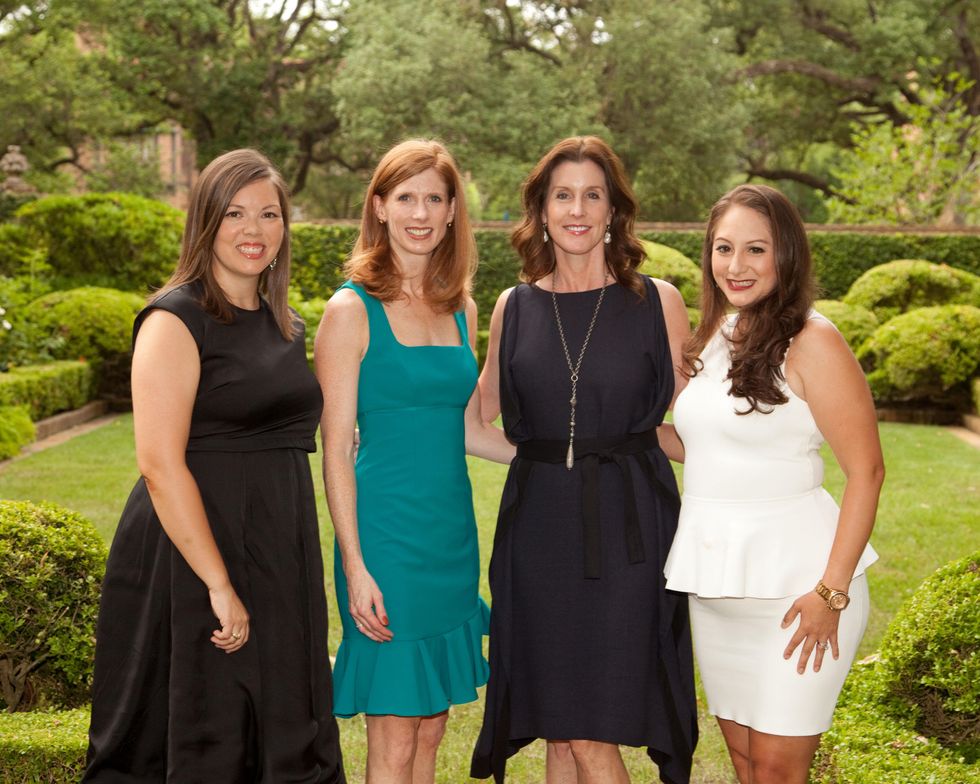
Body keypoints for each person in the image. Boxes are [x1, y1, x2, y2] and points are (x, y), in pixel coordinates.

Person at [83, 149, 346, 783]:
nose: (254, 230)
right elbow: (159, 464)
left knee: (281, 725)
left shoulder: (287, 325)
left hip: (277, 549)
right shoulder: (175, 319)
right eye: (234, 213)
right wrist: (219, 585)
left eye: (269, 214)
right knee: (205, 727)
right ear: (206, 221)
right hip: (193, 553)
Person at [471, 136, 698, 784]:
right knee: (559, 725)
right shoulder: (515, 307)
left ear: (613, 212)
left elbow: (697, 428)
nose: (577, 210)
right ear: (541, 211)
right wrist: (550, 459)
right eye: (562, 196)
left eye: (592, 195)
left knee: (589, 729)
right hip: (539, 533)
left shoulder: (657, 302)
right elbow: (472, 422)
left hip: (631, 531)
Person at [662, 184, 883, 784]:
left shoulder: (815, 340)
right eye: (723, 248)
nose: (736, 265)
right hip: (717, 590)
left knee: (778, 771)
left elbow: (867, 472)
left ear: (786, 254)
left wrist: (831, 593)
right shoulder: (716, 336)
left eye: (755, 249)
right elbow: (705, 447)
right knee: (746, 764)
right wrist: (617, 429)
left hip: (800, 593)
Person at [314, 139, 513, 783]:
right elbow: (335, 449)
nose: (420, 213)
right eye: (405, 198)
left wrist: (570, 457)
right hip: (386, 544)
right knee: (396, 734)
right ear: (380, 206)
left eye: (434, 198)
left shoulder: (462, 308)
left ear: (453, 211)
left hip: (450, 539)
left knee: (431, 728)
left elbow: (468, 429)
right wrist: (355, 566)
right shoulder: (350, 310)